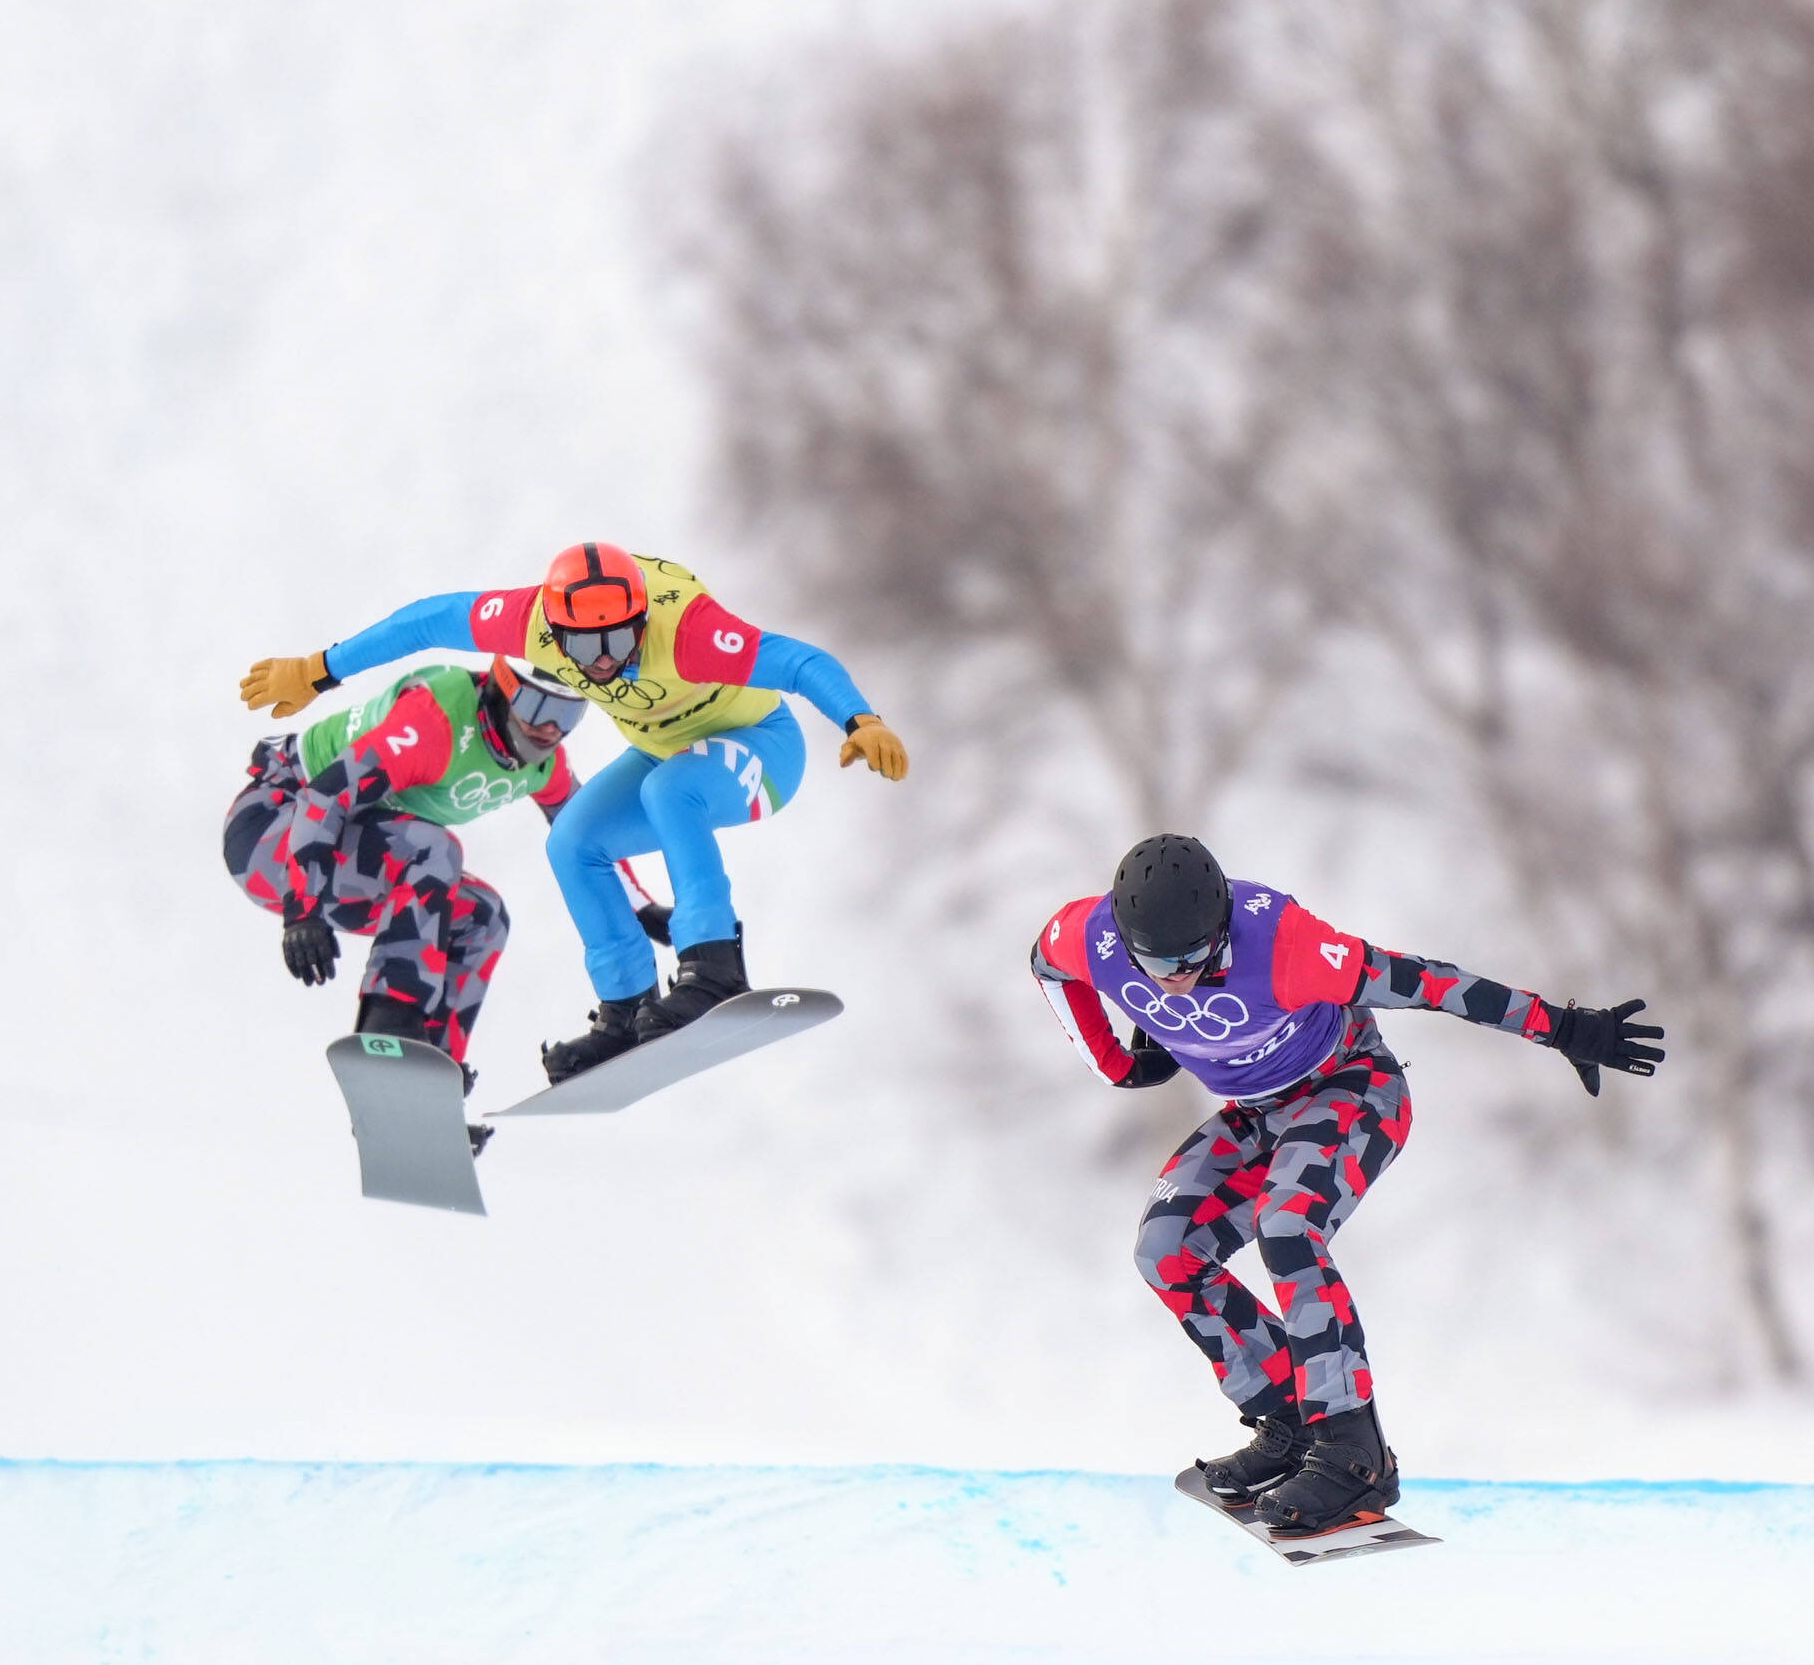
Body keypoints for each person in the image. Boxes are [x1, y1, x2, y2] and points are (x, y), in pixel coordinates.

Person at [1032, 836, 1666, 1532]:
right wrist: (1115, 1065)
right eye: (1157, 965)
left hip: (1353, 1088)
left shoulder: (1286, 944)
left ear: (1221, 929)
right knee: (1166, 1249)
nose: (1176, 980)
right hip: (1258, 1112)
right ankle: (1291, 1423)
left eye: (1193, 960)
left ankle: (1353, 1456)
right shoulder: (1087, 937)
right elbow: (1045, 964)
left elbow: (1431, 983)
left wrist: (1564, 1028)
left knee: (1286, 1226)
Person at [239, 544, 909, 1083]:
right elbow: (424, 620)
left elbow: (799, 660)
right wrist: (319, 670)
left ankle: (715, 968)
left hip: (761, 748)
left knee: (670, 792)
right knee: (573, 840)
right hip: (668, 752)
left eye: (620, 641)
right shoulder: (527, 623)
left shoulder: (689, 634)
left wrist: (861, 719)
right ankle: (627, 1008)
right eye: (584, 652)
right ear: (552, 635)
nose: (605, 662)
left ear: (643, 622)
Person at [223, 655, 589, 1087]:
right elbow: (324, 797)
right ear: (502, 690)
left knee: (483, 917)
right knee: (434, 850)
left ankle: (432, 1076)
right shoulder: (435, 719)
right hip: (273, 829)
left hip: (338, 847)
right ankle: (389, 1025)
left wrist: (647, 925)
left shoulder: (547, 767)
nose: (551, 727)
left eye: (568, 714)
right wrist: (303, 912)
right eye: (537, 707)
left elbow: (593, 844)